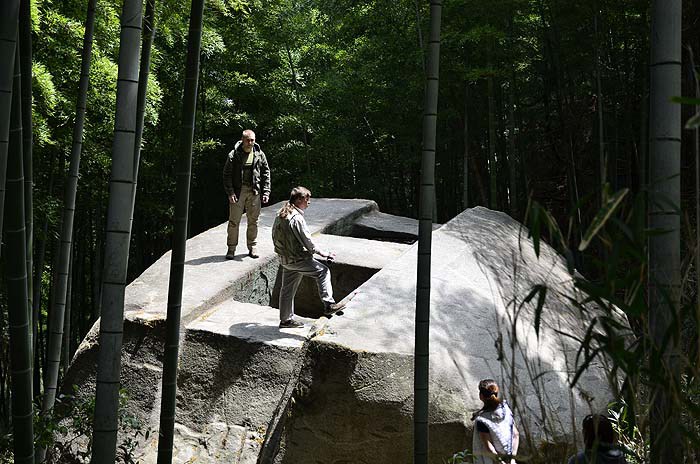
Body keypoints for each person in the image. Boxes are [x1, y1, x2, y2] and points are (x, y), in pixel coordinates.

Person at [271, 186, 345, 328]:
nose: (309, 202)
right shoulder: (296, 218)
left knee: (287, 290)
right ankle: (329, 304)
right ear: (299, 200)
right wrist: (323, 253)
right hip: (296, 259)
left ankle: (286, 320)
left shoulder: (281, 213)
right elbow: (308, 241)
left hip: (284, 259)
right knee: (323, 271)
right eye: (307, 199)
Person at [223, 129, 271, 259]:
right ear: (242, 140)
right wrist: (230, 192)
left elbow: (266, 173)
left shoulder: (259, 154)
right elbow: (226, 175)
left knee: (253, 221)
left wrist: (266, 191)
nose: (250, 143)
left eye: (252, 140)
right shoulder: (234, 154)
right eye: (247, 140)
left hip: (254, 191)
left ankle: (252, 246)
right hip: (238, 192)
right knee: (234, 221)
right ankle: (231, 248)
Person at [471, 379, 519, 464]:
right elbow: (516, 434)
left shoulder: (482, 419)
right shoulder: (505, 410)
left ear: (481, 396)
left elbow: (488, 446)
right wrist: (512, 458)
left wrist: (500, 462)